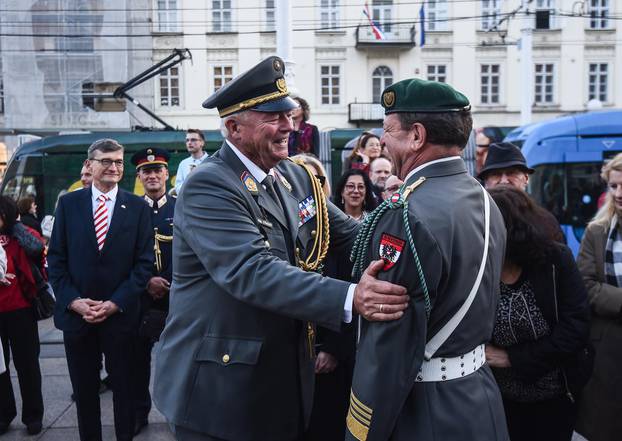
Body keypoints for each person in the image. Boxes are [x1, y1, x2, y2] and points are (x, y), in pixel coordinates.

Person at [153, 56, 408, 441]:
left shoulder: (295, 175)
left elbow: (353, 233)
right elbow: (252, 270)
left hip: (283, 377)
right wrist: (353, 296)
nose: (289, 125)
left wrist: (413, 240)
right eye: (273, 117)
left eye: (289, 115)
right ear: (234, 127)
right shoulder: (210, 186)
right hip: (221, 391)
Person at [346, 78, 509, 441]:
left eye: (388, 129)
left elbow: (387, 343)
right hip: (478, 398)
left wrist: (360, 429)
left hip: (424, 410)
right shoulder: (483, 198)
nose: (383, 141)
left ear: (416, 136)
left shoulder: (407, 214)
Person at [47, 139, 154, 441]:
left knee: (124, 392)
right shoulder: (69, 204)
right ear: (89, 165)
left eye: (119, 162)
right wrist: (74, 302)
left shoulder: (137, 208)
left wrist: (114, 303)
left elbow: (144, 265)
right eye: (106, 160)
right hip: (77, 318)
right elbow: (56, 260)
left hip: (120, 318)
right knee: (85, 393)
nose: (114, 167)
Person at [487, 186, 591, 441]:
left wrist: (512, 358)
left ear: (510, 228)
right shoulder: (480, 268)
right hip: (499, 400)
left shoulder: (555, 260)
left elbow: (575, 329)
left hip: (555, 397)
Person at [575, 152, 622, 441]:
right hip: (609, 351)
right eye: (614, 186)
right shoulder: (597, 231)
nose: (619, 193)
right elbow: (586, 284)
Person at [130, 147, 176, 436]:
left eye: (157, 170)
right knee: (136, 360)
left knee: (177, 359)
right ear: (139, 176)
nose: (153, 175)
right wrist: (148, 281)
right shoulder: (130, 209)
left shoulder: (181, 206)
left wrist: (168, 280)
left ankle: (176, 412)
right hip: (141, 295)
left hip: (176, 294)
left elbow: (189, 249)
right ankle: (138, 412)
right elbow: (125, 253)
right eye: (147, 171)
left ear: (167, 174)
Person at [0, 196, 45, 436]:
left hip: (21, 310)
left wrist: (16, 226)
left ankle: (33, 415)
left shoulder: (20, 234)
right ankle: (4, 413)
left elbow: (38, 248)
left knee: (27, 365)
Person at [480, 141, 565, 243]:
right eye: (496, 174)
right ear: (485, 182)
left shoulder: (545, 222)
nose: (504, 181)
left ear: (526, 179)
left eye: (511, 173)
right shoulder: (475, 221)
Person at [174, 129, 208, 194]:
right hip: (188, 201)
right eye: (187, 140)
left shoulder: (211, 162)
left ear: (202, 143)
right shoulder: (183, 163)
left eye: (193, 140)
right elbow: (177, 187)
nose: (189, 143)